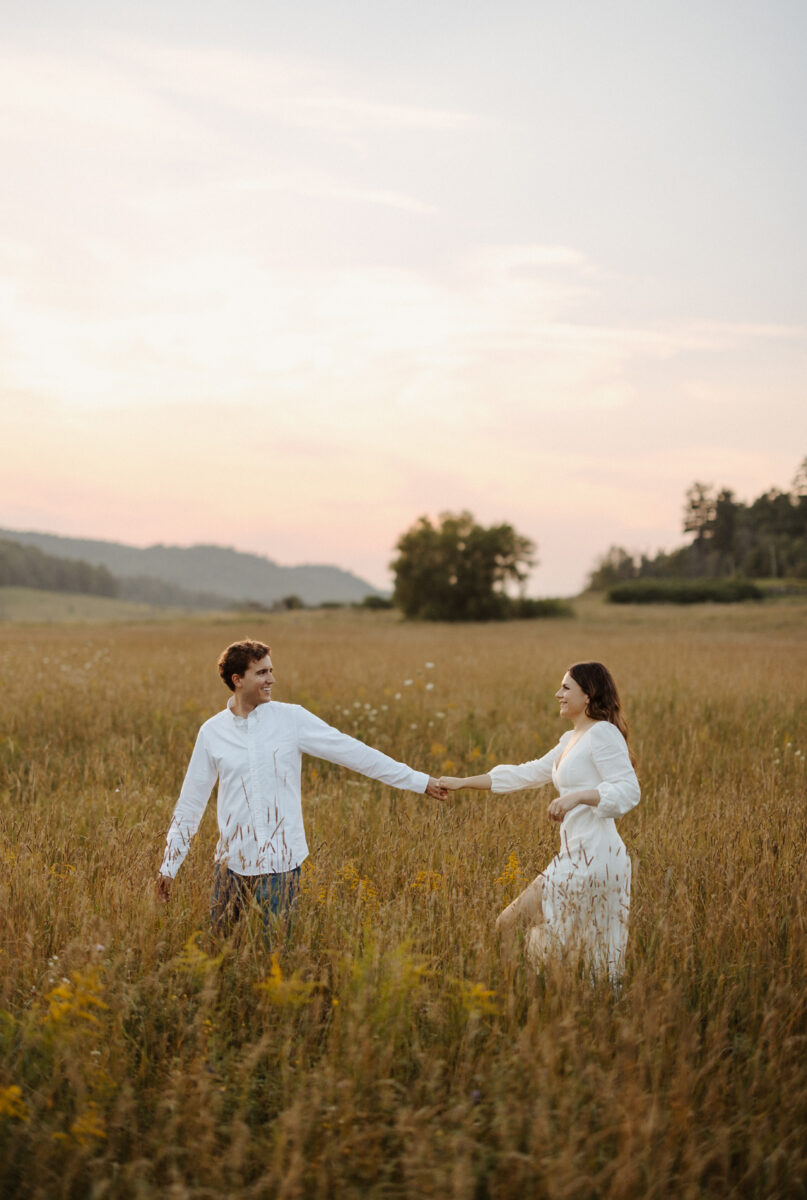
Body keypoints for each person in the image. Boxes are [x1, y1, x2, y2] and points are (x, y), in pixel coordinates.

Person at [156, 639, 447, 937]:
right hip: (231, 865)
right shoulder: (212, 732)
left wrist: (419, 781)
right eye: (262, 673)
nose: (272, 679)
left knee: (277, 954)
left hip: (282, 866)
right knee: (220, 950)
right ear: (237, 680)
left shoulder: (291, 719)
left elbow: (354, 752)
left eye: (271, 670)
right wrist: (170, 865)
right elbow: (191, 803)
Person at [439, 662, 640, 980]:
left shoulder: (603, 734)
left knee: (581, 950)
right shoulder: (570, 739)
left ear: (588, 695)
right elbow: (525, 773)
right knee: (520, 929)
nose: (558, 694)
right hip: (571, 856)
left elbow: (629, 791)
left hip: (598, 857)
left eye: (566, 688)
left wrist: (578, 796)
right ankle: (533, 995)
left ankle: (555, 1002)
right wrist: (463, 782)